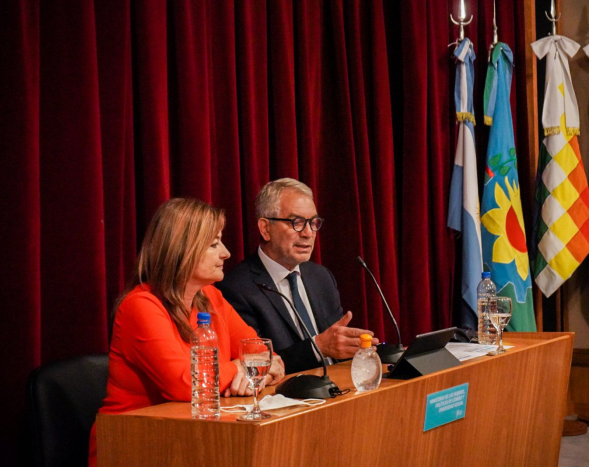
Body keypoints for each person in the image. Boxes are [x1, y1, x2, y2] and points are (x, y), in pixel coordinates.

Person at [88, 198, 284, 466]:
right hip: (134, 443)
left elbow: (262, 351)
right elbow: (187, 386)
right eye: (214, 244)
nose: (226, 253)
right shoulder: (140, 305)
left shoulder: (212, 298)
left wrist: (264, 367)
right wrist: (240, 367)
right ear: (181, 250)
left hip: (195, 437)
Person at [217, 178, 378, 374]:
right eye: (297, 223)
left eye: (313, 223)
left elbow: (337, 347)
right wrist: (317, 348)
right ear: (265, 228)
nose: (308, 233)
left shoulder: (321, 277)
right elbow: (255, 365)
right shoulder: (236, 288)